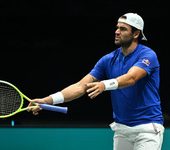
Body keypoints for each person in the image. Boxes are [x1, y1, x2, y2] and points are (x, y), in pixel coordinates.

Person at [28, 13, 164, 150]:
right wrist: (47, 101)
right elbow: (80, 87)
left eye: (123, 29)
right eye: (117, 28)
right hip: (122, 130)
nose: (117, 32)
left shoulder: (148, 55)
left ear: (136, 34)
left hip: (147, 128)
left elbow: (131, 78)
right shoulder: (108, 59)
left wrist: (104, 84)